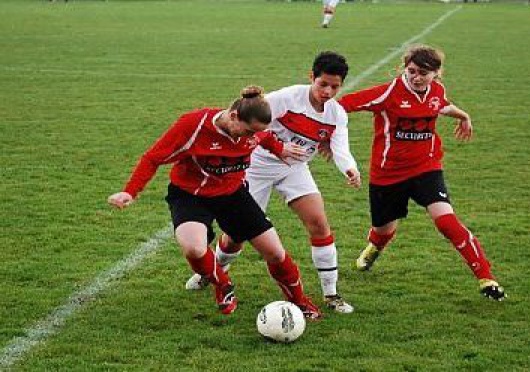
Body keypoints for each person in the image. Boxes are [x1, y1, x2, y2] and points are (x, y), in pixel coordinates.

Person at [107, 86, 322, 318]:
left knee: (276, 253)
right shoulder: (193, 126)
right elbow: (153, 158)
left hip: (233, 194)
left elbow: (264, 136)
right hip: (190, 195)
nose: (251, 138)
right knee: (194, 247)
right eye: (248, 131)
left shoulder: (252, 131)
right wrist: (129, 192)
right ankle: (222, 284)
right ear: (233, 116)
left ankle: (301, 303)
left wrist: (280, 149)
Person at [186, 52, 361, 313]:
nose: (327, 91)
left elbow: (340, 145)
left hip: (294, 169)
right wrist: (279, 146)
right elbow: (251, 119)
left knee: (319, 224)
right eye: (322, 84)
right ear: (311, 77)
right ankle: (212, 272)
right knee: (236, 236)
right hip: (256, 166)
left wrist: (350, 168)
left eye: (334, 87)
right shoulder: (287, 98)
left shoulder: (336, 114)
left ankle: (331, 294)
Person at [338, 44, 506, 301]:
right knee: (383, 229)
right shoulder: (388, 93)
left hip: (426, 167)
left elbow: (441, 105)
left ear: (436, 74)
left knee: (447, 221)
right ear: (404, 69)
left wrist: (463, 115)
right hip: (387, 174)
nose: (416, 77)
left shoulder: (437, 91)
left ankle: (486, 278)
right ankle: (374, 247)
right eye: (412, 71)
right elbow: (341, 106)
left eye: (423, 73)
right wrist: (327, 137)